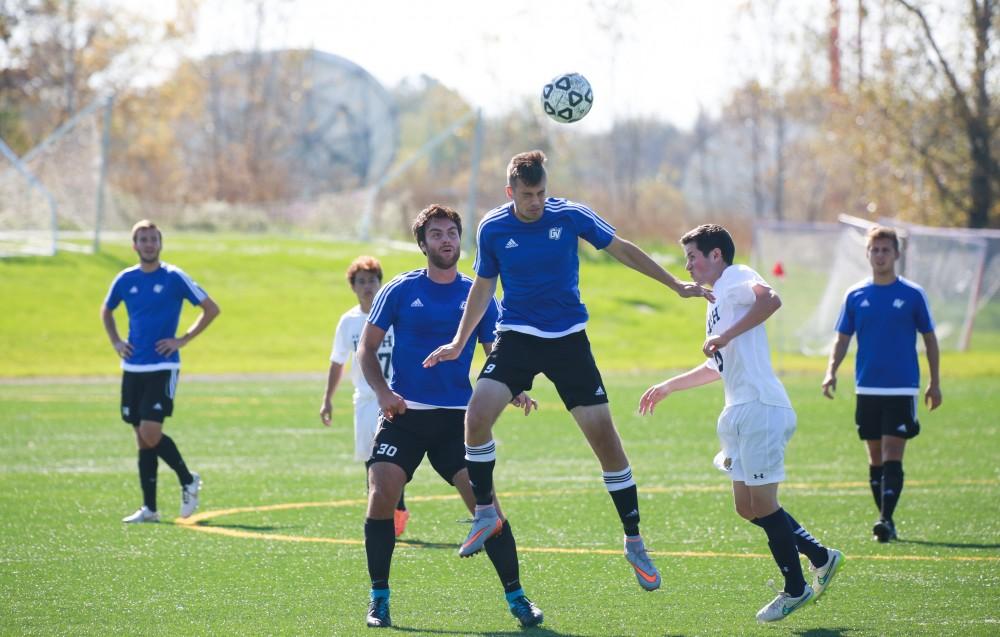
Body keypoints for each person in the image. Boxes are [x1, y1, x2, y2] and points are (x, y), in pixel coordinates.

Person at [423, 150, 708, 591]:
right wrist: (460, 342)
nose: (536, 202)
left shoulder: (571, 216)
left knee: (607, 444)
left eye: (541, 193)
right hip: (516, 336)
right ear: (510, 192)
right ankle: (484, 514)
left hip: (569, 341)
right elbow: (482, 288)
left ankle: (634, 541)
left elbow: (624, 250)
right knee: (476, 415)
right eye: (527, 194)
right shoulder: (493, 227)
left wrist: (674, 284)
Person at [639, 224, 843, 623]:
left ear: (717, 255)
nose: (689, 266)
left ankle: (795, 587)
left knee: (763, 503)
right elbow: (717, 367)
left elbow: (771, 300)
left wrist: (725, 335)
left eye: (693, 257)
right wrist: (669, 386)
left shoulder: (735, 276)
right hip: (740, 409)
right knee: (746, 507)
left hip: (761, 407)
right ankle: (821, 556)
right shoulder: (716, 300)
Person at [358, 204, 543, 629]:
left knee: (488, 509)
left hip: (457, 422)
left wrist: (512, 387)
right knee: (382, 490)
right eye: (437, 234)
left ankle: (517, 598)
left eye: (452, 233)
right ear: (422, 244)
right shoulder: (400, 290)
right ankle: (379, 598)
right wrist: (383, 392)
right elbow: (366, 348)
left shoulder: (475, 293)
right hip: (404, 415)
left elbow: (495, 351)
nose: (446, 240)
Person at [822, 225, 941, 543]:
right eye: (874, 250)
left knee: (892, 453)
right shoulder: (855, 295)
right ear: (867, 253)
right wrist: (831, 371)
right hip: (867, 388)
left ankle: (885, 519)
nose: (880, 255)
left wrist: (934, 382)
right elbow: (842, 339)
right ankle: (886, 520)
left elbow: (929, 339)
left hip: (902, 388)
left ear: (897, 255)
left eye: (886, 250)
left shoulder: (913, 294)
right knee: (874, 457)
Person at [101, 219, 220, 523]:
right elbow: (107, 309)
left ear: (160, 243)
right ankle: (150, 509)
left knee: (150, 431)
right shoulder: (125, 279)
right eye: (143, 239)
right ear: (134, 245)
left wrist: (182, 339)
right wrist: (116, 342)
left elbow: (210, 308)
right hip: (132, 366)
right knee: (141, 438)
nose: (149, 243)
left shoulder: (174, 277)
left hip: (163, 366)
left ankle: (187, 478)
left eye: (154, 238)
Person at [319, 256, 410, 537]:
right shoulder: (349, 322)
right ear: (353, 287)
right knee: (370, 457)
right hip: (365, 399)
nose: (368, 286)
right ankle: (379, 512)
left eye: (372, 280)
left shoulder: (393, 315)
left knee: (395, 454)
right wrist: (328, 398)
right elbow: (338, 361)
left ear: (381, 283)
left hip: (395, 396)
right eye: (361, 281)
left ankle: (397, 508)